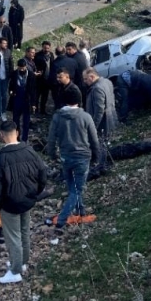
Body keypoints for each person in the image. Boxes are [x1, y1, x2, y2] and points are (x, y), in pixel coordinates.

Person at [0, 121, 48, 284]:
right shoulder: (30, 151)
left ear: (1, 135)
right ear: (17, 133)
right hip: (27, 200)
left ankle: (15, 271)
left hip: (9, 204)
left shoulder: (0, 159)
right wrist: (35, 192)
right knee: (24, 232)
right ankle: (23, 262)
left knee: (13, 237)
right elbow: (42, 173)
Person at [46, 87, 100, 234]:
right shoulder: (86, 117)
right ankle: (61, 222)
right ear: (79, 100)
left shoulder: (58, 117)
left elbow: (51, 139)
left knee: (73, 188)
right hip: (82, 158)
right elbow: (94, 140)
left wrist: (52, 155)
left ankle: (81, 212)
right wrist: (96, 157)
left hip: (66, 157)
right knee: (77, 190)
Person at [83, 67, 118, 172]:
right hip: (111, 116)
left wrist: (93, 126)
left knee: (101, 143)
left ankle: (102, 165)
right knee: (105, 142)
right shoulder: (107, 81)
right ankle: (106, 161)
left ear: (92, 77)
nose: (84, 81)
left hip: (103, 121)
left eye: (85, 79)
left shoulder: (97, 88)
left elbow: (99, 111)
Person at [8, 58, 37, 142]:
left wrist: (33, 103)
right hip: (17, 99)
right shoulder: (14, 74)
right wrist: (11, 91)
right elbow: (11, 85)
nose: (21, 70)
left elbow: (34, 90)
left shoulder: (31, 75)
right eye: (20, 68)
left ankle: (25, 138)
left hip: (26, 100)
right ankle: (16, 137)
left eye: (23, 68)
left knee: (26, 121)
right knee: (15, 120)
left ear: (26, 67)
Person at [34, 41, 55, 116]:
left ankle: (43, 110)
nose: (46, 49)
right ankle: (35, 110)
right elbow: (34, 66)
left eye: (48, 48)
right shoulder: (37, 55)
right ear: (42, 47)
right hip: (39, 79)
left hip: (48, 80)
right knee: (37, 96)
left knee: (45, 96)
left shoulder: (51, 55)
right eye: (45, 48)